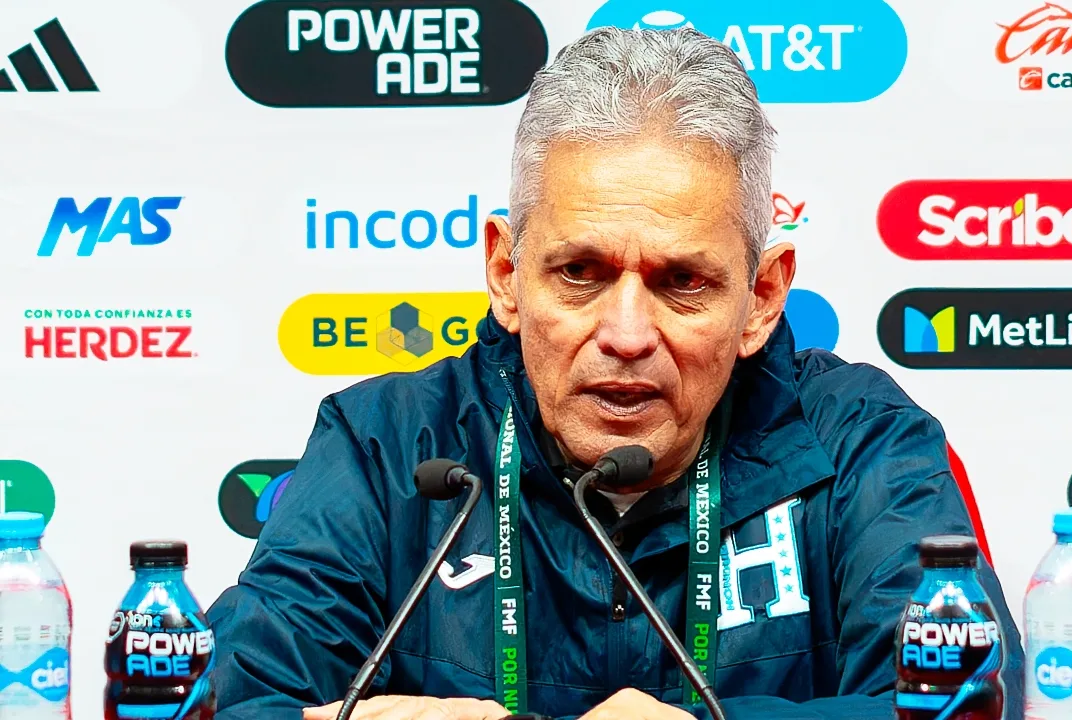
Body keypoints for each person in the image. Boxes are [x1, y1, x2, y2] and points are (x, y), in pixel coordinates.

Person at [207, 26, 1025, 720]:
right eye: (581, 274)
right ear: (505, 274)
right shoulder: (387, 445)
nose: (627, 335)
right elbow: (229, 698)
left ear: (763, 297)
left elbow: (969, 700)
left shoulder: (862, 443)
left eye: (683, 282)